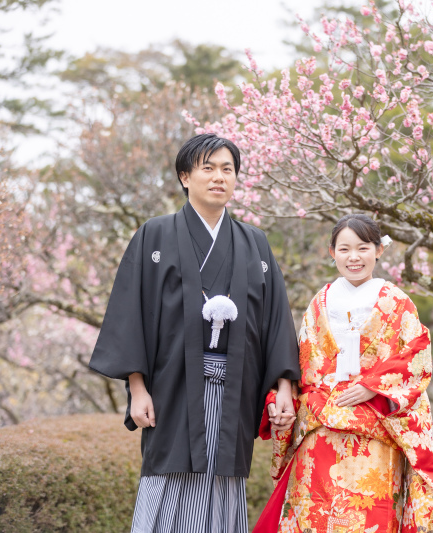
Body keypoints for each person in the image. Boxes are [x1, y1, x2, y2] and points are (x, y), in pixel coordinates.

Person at [89, 133, 301, 533]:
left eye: (227, 169)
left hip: (235, 387)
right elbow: (130, 313)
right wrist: (137, 388)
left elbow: (276, 319)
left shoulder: (254, 243)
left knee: (222, 479)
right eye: (208, 168)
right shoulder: (154, 235)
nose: (219, 177)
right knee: (166, 475)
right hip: (171, 386)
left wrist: (285, 386)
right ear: (185, 177)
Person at [253, 214, 433, 533]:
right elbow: (301, 365)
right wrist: (282, 398)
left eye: (363, 248)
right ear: (332, 252)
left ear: (379, 250)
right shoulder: (319, 302)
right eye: (344, 249)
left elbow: (416, 356)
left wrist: (374, 387)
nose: (354, 257)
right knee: (313, 515)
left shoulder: (397, 302)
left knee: (369, 515)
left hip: (375, 428)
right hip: (320, 427)